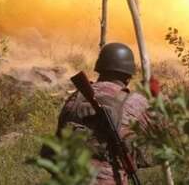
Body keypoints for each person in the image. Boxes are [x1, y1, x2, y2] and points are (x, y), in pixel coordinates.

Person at [46, 43, 153, 184]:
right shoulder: (136, 102)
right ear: (128, 76)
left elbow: (54, 147)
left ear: (99, 69)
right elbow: (162, 143)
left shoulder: (75, 98)